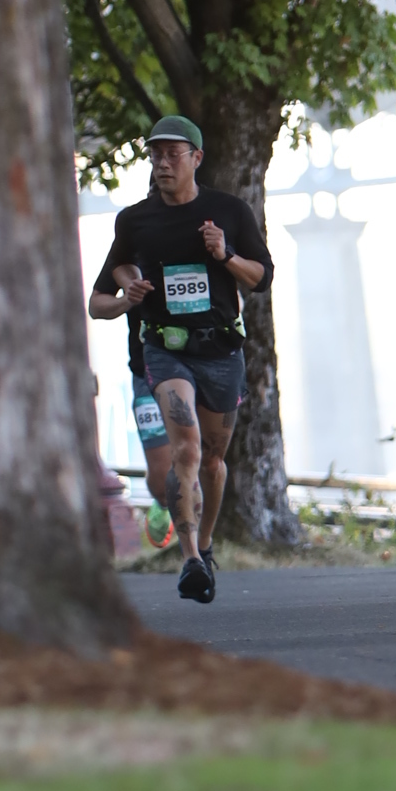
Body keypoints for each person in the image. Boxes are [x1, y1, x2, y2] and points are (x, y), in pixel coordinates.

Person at [87, 114, 272, 605]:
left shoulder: (228, 211)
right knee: (185, 450)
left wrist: (225, 254)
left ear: (197, 158)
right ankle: (190, 559)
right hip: (165, 350)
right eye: (156, 154)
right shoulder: (135, 221)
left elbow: (261, 277)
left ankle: (205, 544)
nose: (163, 163)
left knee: (212, 460)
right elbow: (97, 302)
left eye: (173, 154)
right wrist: (127, 299)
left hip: (220, 351)